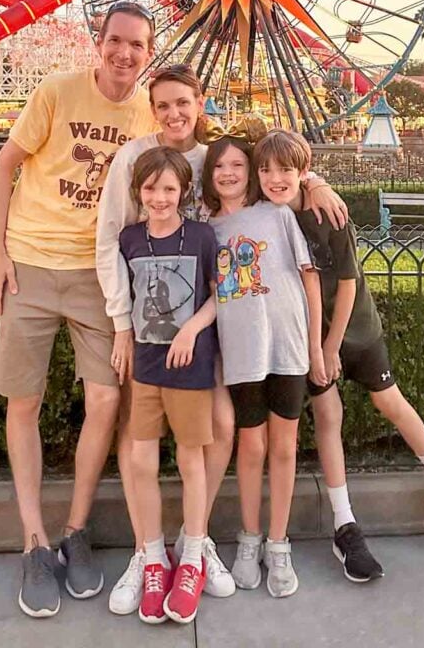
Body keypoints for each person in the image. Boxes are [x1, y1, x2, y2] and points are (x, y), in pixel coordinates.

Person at [96, 65, 348, 613]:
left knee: (221, 432)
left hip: (215, 337)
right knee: (145, 440)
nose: (174, 113)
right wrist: (120, 322)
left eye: (183, 103)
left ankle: (197, 543)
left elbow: (278, 164)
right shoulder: (136, 162)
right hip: (153, 335)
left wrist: (313, 179)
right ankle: (153, 552)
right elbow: (111, 244)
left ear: (199, 102)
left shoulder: (228, 182)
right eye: (163, 104)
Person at [0, 1, 156, 619]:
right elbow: (4, 167)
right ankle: (34, 541)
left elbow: (218, 164)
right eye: (115, 41)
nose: (124, 53)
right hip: (31, 262)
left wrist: (312, 182)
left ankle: (75, 530)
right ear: (100, 43)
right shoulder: (56, 92)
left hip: (98, 274)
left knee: (106, 400)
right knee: (23, 400)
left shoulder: (148, 112)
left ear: (149, 52)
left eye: (136, 45)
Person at [254, 129, 424, 579]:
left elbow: (348, 281)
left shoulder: (328, 213)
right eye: (267, 170)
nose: (275, 178)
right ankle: (344, 522)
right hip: (307, 337)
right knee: (328, 415)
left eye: (286, 170)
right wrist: (318, 349)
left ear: (302, 172)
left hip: (353, 328)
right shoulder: (268, 216)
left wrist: (331, 345)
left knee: (388, 401)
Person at [202, 136, 327, 599]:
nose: (230, 173)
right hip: (241, 352)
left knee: (285, 447)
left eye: (239, 164)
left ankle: (279, 543)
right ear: (210, 174)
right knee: (250, 446)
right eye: (221, 166)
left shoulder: (278, 216)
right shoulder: (206, 230)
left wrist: (314, 349)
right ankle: (248, 538)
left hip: (288, 348)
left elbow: (310, 282)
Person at [120, 146, 218, 624]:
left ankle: (193, 554)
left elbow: (222, 295)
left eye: (169, 189)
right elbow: (122, 295)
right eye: (151, 188)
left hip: (189, 364)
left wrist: (190, 330)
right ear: (139, 191)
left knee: (190, 457)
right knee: (142, 456)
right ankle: (154, 555)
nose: (160, 198)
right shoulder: (129, 238)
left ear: (184, 192)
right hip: (146, 363)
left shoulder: (201, 237)